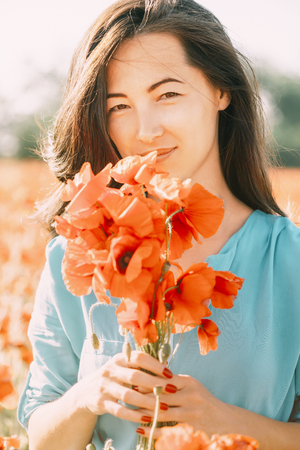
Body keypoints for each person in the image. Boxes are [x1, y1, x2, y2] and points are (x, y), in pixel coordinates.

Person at [18, 0, 300, 449]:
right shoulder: (80, 254)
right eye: (119, 106)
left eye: (167, 94)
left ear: (223, 91)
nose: (145, 130)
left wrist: (221, 421)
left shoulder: (291, 261)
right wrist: (87, 398)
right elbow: (40, 435)